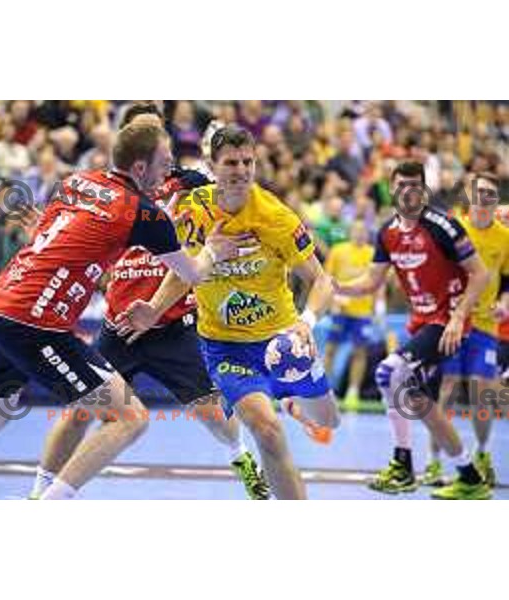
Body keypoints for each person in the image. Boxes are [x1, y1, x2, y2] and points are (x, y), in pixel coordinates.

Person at [0, 122, 241, 500]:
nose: (167, 173)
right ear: (140, 168)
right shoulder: (144, 213)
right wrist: (214, 250)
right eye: (163, 164)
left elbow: (61, 236)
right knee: (131, 418)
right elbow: (191, 273)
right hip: (34, 322)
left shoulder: (76, 182)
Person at [29, 104, 269, 500]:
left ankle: (240, 457)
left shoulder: (187, 182)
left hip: (174, 324)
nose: (155, 142)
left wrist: (223, 160)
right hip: (120, 326)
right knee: (79, 412)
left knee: (213, 413)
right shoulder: (106, 188)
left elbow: (231, 194)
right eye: (143, 133)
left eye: (158, 133)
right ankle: (39, 494)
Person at [116, 125, 341, 500]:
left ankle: (291, 399)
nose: (240, 170)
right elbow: (184, 272)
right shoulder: (193, 210)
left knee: (328, 420)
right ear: (211, 165)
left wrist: (306, 323)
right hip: (226, 347)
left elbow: (322, 282)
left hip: (284, 339)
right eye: (231, 163)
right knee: (267, 430)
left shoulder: (276, 217)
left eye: (247, 162)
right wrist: (154, 309)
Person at [336, 161, 492, 499]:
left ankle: (403, 466)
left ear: (424, 189)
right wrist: (337, 287)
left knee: (388, 373)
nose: (409, 190)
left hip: (447, 323)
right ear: (392, 188)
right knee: (420, 401)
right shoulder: (387, 232)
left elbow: (480, 273)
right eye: (402, 184)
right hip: (422, 323)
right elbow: (371, 282)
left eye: (415, 184)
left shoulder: (443, 226)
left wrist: (457, 317)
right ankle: (468, 475)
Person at [423, 173, 509, 487]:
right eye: (480, 192)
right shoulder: (454, 228)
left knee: (481, 391)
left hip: (486, 324)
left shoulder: (504, 237)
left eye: (491, 193)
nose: (485, 198)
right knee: (445, 387)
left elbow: (507, 280)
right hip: (451, 322)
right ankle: (434, 462)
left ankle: (483, 453)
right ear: (469, 197)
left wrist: (505, 302)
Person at [323, 220, 384, 409]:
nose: (360, 234)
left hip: (362, 311)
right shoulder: (338, 251)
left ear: (367, 234)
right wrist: (333, 301)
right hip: (340, 310)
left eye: (363, 231)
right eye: (356, 230)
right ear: (350, 232)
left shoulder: (373, 253)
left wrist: (379, 307)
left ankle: (353, 391)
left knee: (360, 352)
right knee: (331, 349)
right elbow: (326, 278)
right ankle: (324, 390)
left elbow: (377, 282)